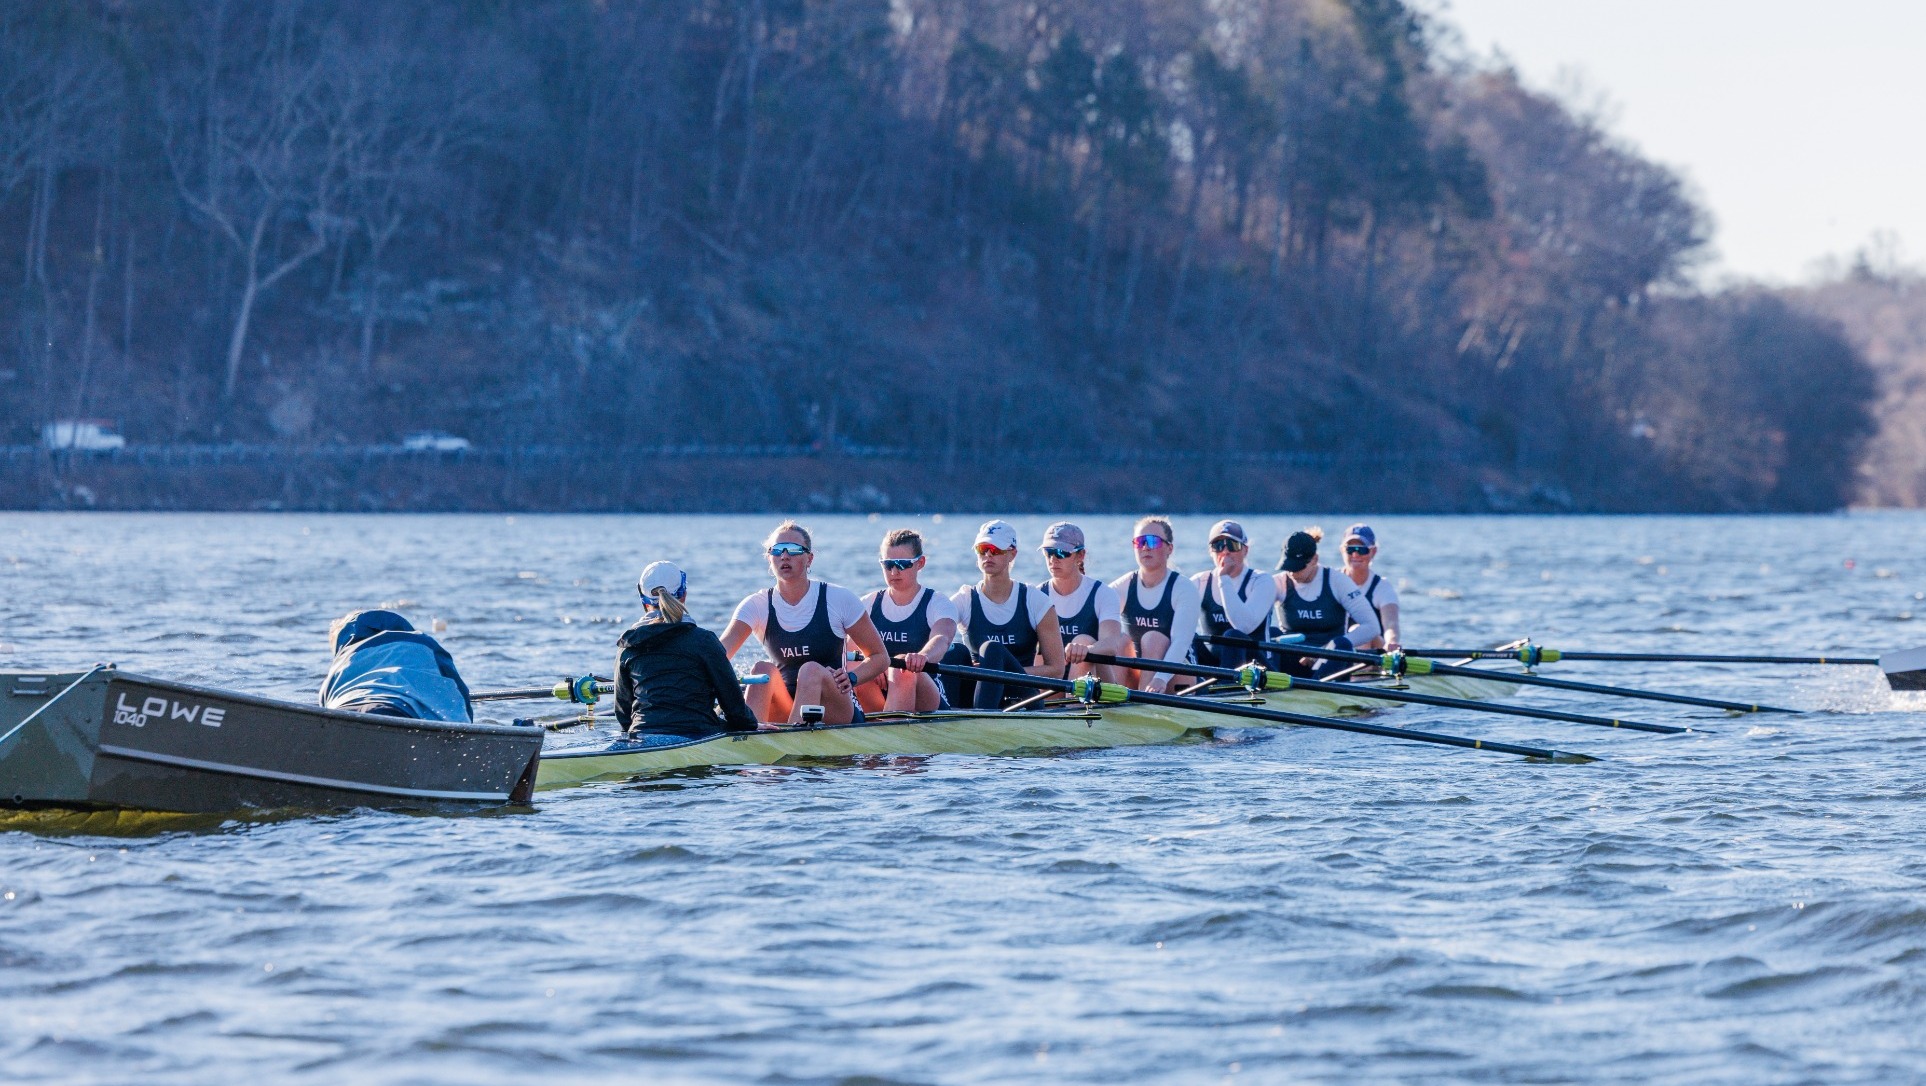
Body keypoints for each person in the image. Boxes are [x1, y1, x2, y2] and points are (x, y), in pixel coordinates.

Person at [720, 520, 890, 726]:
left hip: (837, 707)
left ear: (809, 558)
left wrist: (852, 677)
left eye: (793, 550)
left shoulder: (839, 599)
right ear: (769, 558)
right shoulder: (756, 605)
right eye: (777, 550)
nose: (784, 556)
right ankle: (749, 735)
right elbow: (717, 657)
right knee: (761, 670)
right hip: (787, 704)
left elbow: (880, 657)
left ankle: (790, 738)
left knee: (811, 670)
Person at [612, 562, 759, 744]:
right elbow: (734, 708)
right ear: (684, 594)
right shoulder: (704, 641)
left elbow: (623, 714)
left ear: (643, 598)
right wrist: (752, 728)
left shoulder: (628, 645)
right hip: (699, 735)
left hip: (642, 735)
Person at [940, 519, 1066, 709]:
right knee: (954, 651)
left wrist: (996, 671)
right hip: (976, 693)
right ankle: (946, 717)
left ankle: (982, 719)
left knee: (992, 650)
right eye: (983, 549)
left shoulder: (1035, 601)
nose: (988, 555)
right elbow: (937, 634)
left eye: (996, 549)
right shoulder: (964, 599)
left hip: (1022, 697)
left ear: (1012, 554)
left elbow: (1056, 670)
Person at [860, 527, 958, 712]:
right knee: (857, 666)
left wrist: (923, 656)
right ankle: (879, 721)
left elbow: (942, 638)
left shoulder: (937, 603)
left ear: (920, 563)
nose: (894, 571)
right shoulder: (868, 603)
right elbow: (847, 648)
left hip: (927, 697)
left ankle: (891, 724)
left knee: (901, 666)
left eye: (902, 564)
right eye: (888, 564)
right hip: (879, 694)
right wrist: (871, 663)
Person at [320, 609, 472, 722]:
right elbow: (459, 694)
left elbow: (325, 702)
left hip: (342, 713)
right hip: (399, 711)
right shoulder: (423, 644)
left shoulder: (342, 661)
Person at [1108, 516, 1202, 692]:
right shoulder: (1124, 585)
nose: (1145, 547)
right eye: (1140, 542)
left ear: (1169, 548)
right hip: (1139, 672)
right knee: (1119, 640)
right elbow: (1093, 609)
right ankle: (1110, 700)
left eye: (1153, 541)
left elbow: (1181, 643)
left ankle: (1145, 701)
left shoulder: (1183, 588)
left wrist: (1160, 678)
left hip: (1177, 672)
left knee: (1153, 639)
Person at [1273, 527, 1380, 678]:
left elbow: (1372, 627)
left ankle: (1315, 688)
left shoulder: (1338, 582)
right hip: (1292, 663)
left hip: (1329, 663)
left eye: (1298, 567)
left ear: (1315, 560)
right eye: (1289, 566)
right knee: (1272, 634)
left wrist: (1323, 651)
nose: (1292, 573)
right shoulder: (1278, 583)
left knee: (1342, 644)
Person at [1036, 521, 1127, 682]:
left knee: (1083, 640)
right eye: (1048, 552)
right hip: (1053, 679)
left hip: (1096, 682)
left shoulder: (1103, 594)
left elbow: (1111, 644)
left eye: (1061, 552)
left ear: (1080, 555)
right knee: (1039, 648)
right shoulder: (1037, 595)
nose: (1053, 559)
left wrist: (1086, 650)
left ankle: (1074, 697)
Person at [1190, 519, 1279, 668]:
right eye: (1218, 545)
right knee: (1186, 636)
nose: (1225, 551)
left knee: (1233, 636)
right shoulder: (1199, 581)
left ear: (1245, 550)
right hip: (1214, 664)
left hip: (1257, 667)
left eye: (1232, 545)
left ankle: (1225, 681)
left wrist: (1224, 579)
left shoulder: (1262, 581)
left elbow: (1244, 626)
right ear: (1210, 552)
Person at [1339, 523, 1401, 652]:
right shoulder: (1330, 581)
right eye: (1350, 549)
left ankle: (1361, 666)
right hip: (1335, 650)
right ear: (1342, 550)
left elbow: (1391, 623)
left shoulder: (1382, 587)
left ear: (1373, 551)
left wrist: (1392, 641)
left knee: (1361, 631)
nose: (1355, 555)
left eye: (1362, 550)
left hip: (1374, 652)